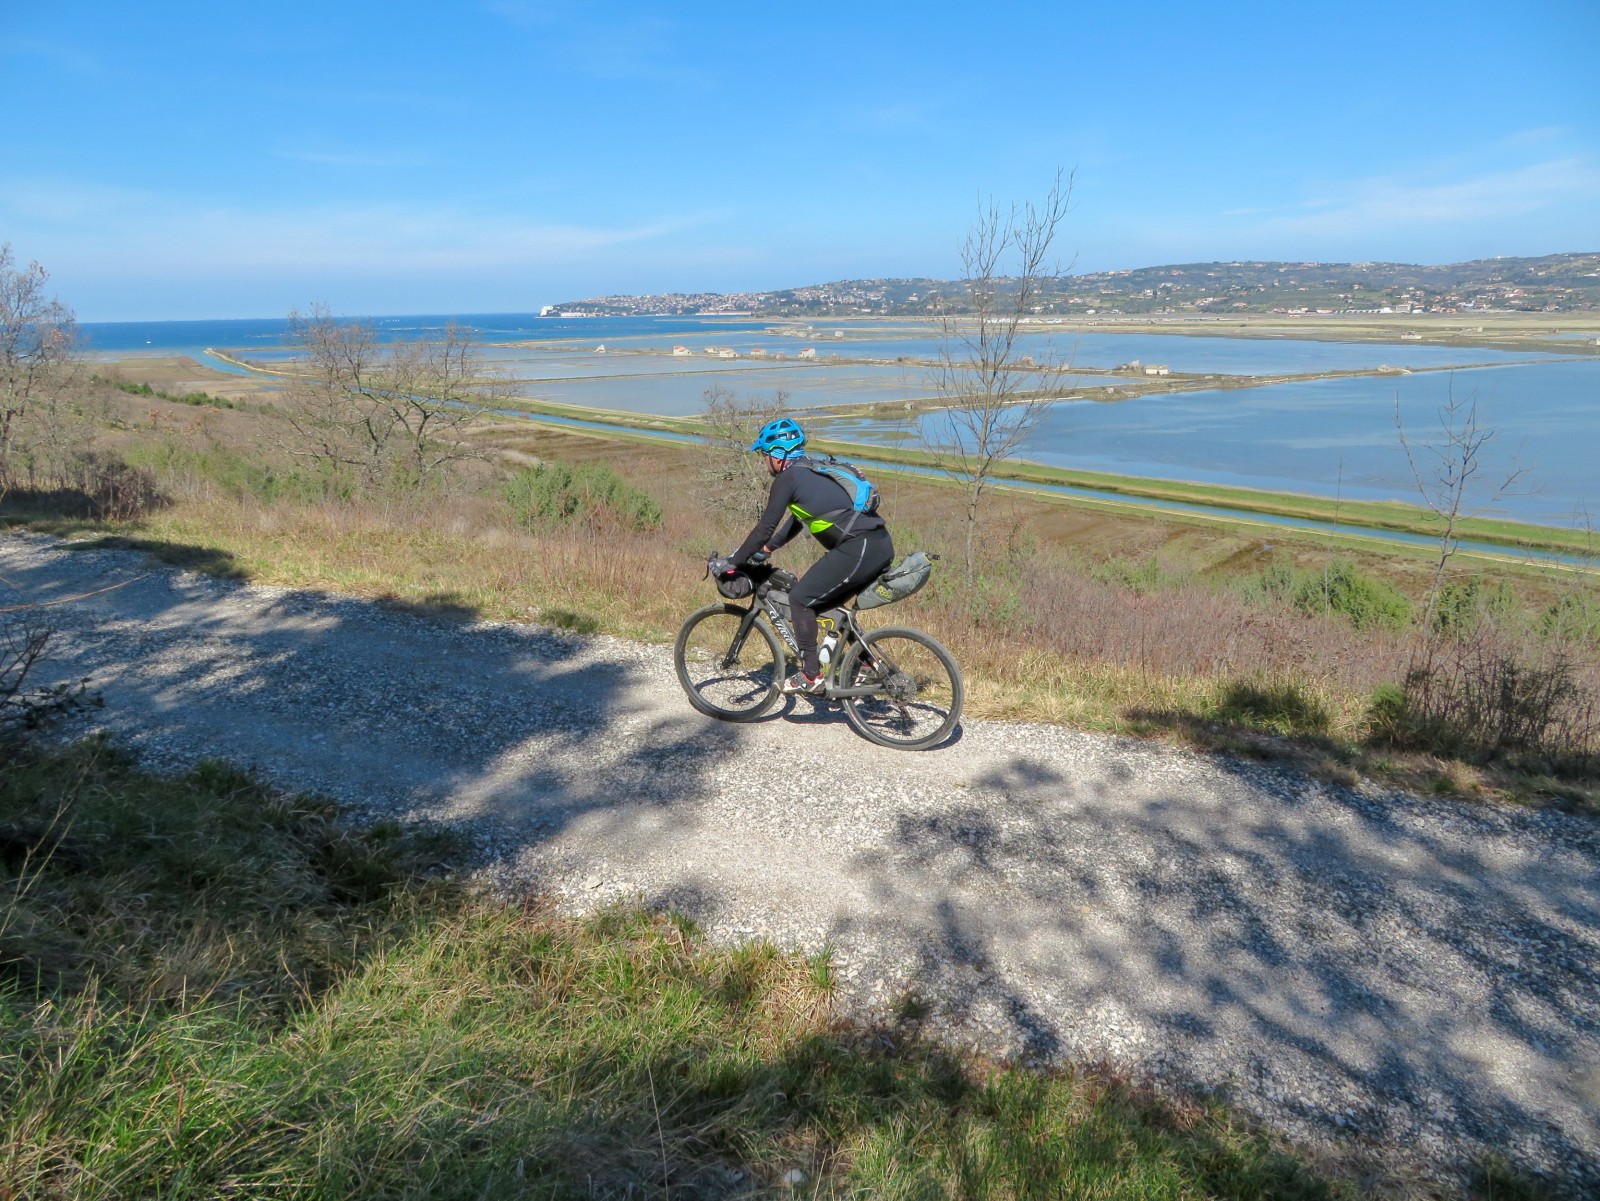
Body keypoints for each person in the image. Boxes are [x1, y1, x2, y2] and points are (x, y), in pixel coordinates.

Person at [725, 417, 894, 695]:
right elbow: (798, 518)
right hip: (877, 545)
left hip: (858, 548)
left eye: (765, 455)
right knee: (827, 607)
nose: (765, 461)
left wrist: (735, 562)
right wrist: (768, 549)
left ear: (778, 455)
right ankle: (869, 664)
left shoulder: (787, 478)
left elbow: (765, 525)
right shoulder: (810, 470)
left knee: (800, 599)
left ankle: (810, 675)